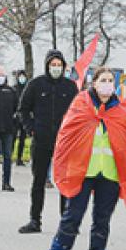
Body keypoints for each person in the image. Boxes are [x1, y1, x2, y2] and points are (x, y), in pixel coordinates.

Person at [41, 67, 126, 250]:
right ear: (93, 83)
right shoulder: (81, 104)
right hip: (84, 170)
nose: (107, 84)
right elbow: (66, 135)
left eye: (110, 80)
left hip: (110, 172)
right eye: (102, 80)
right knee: (72, 216)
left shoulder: (122, 109)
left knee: (102, 219)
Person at [17, 50, 77, 234]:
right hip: (41, 139)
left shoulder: (70, 86)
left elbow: (79, 112)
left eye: (59, 65)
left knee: (65, 182)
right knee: (39, 180)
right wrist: (31, 128)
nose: (56, 68)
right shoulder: (35, 84)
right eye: (53, 65)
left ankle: (66, 221)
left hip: (64, 141)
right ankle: (35, 220)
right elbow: (23, 109)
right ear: (47, 65)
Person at [13, 70, 29, 166]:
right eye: (20, 76)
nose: (22, 78)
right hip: (15, 117)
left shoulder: (27, 88)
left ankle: (19, 158)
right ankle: (9, 156)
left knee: (23, 138)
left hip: (24, 117)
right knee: (13, 137)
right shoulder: (14, 89)